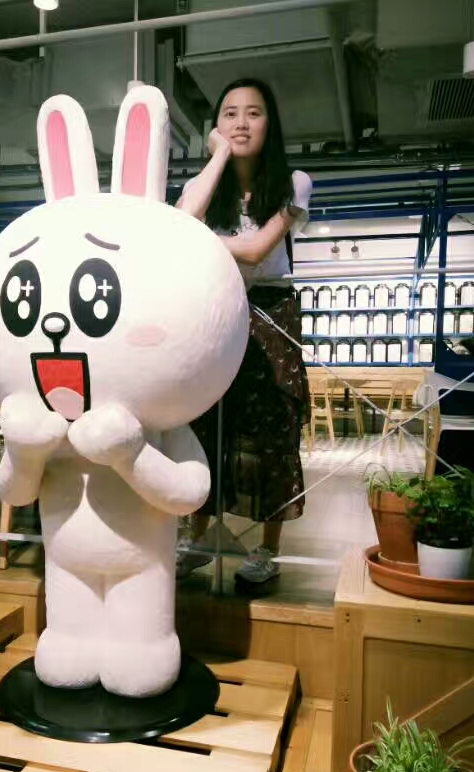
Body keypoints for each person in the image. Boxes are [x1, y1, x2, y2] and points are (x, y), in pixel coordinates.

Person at [175, 77, 312, 586]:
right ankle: (197, 539)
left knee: (272, 429)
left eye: (253, 113)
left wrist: (198, 239)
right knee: (205, 420)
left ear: (270, 123)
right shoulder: (210, 187)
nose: (241, 123)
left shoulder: (294, 182)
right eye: (229, 113)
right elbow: (182, 220)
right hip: (215, 307)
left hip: (271, 312)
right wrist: (217, 157)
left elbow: (255, 251)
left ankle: (267, 550)